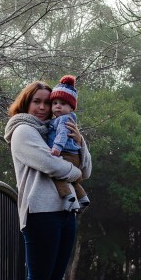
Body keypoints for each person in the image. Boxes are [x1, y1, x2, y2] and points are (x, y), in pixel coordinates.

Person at [4, 81, 92, 280]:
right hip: (40, 212)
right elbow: (49, 164)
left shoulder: (58, 129)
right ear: (26, 104)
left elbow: (87, 169)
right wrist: (75, 171)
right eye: (37, 102)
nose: (43, 108)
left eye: (47, 102)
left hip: (66, 211)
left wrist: (80, 142)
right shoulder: (23, 131)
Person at [46, 75, 90, 211]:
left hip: (65, 153)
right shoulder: (65, 118)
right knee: (71, 180)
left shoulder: (64, 119)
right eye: (54, 103)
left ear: (71, 108)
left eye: (63, 104)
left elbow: (62, 135)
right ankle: (83, 198)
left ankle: (68, 198)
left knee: (58, 176)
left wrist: (56, 148)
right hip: (74, 155)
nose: (57, 106)